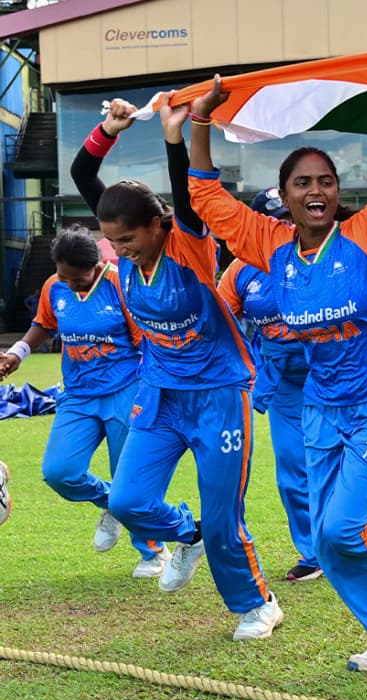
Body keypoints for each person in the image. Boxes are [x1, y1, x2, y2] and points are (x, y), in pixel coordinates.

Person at [187, 59, 367, 671]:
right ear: (287, 197)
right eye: (302, 183)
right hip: (319, 409)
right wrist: (201, 119)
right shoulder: (268, 247)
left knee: (341, 531)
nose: (315, 191)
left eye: (325, 181)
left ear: (338, 190)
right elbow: (205, 193)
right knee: (326, 545)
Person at [72, 97, 279, 640]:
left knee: (223, 519)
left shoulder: (188, 245)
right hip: (160, 393)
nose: (119, 250)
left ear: (159, 226)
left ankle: (257, 604)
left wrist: (173, 135)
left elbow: (186, 195)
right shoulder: (126, 252)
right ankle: (183, 535)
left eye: (128, 239)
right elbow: (81, 173)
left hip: (218, 395)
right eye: (111, 242)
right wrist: (107, 130)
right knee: (127, 499)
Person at [0, 225, 168, 578]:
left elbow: (147, 342)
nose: (71, 283)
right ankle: (112, 504)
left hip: (125, 389)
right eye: (64, 276)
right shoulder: (53, 286)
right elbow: (44, 324)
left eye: (79, 278)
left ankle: (153, 551)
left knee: (130, 475)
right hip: (77, 394)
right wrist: (18, 352)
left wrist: (151, 393)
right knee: (59, 472)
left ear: (96, 265)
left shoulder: (121, 284)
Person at [216, 189, 320, 583]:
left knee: (342, 455)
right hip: (283, 382)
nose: (286, 226)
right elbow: (221, 322)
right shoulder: (241, 271)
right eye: (277, 219)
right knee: (292, 465)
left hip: (333, 371)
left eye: (289, 217)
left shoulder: (322, 255)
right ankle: (314, 552)